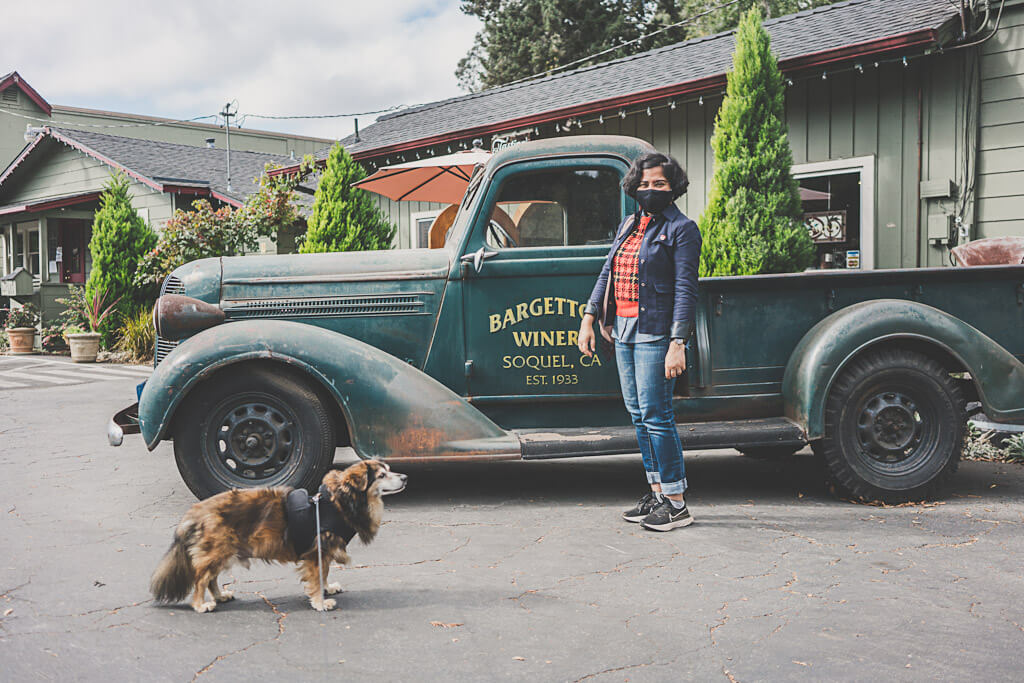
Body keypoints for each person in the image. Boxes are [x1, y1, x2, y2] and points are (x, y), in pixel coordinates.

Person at [578, 151, 701, 531]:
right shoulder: (629, 224)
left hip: (655, 331)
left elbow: (686, 289)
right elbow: (607, 271)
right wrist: (589, 316)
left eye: (659, 184)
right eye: (645, 184)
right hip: (624, 330)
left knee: (657, 417)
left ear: (673, 187)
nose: (651, 190)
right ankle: (657, 492)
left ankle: (677, 503)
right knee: (638, 416)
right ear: (634, 186)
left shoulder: (682, 229)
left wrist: (677, 342)